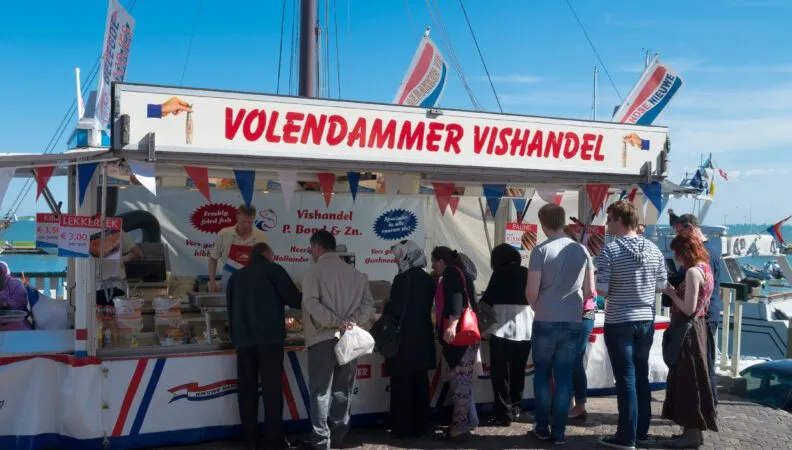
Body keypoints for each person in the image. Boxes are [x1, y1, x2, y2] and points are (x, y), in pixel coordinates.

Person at [596, 201, 667, 450]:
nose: (606, 224)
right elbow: (661, 286)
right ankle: (641, 431)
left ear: (618, 219)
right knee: (640, 376)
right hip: (645, 320)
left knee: (625, 379)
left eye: (609, 219)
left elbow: (602, 291)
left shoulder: (610, 251)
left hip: (619, 321)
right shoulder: (654, 250)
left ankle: (627, 436)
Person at [525, 204, 594, 445]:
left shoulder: (540, 251)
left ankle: (542, 426)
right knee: (564, 376)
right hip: (572, 320)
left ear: (543, 224)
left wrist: (538, 306)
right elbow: (590, 292)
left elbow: (531, 291)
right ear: (563, 221)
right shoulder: (582, 251)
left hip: (545, 318)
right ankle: (560, 432)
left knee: (542, 375)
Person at [301, 230, 375, 450]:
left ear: (318, 248)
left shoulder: (313, 272)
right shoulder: (356, 274)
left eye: (311, 248)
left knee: (320, 391)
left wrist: (336, 321)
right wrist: (349, 322)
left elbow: (311, 304)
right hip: (349, 338)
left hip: (322, 338)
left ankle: (321, 440)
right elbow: (368, 306)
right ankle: (339, 435)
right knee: (343, 388)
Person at [226, 243, 301, 450]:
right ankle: (273, 440)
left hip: (243, 340)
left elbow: (230, 311)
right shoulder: (274, 270)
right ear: (267, 254)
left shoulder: (235, 277)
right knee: (271, 390)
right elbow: (295, 299)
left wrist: (236, 338)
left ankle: (250, 440)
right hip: (269, 339)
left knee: (247, 390)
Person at [660, 231, 718, 448]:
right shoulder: (706, 268)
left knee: (688, 380)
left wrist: (672, 292)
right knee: (694, 378)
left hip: (689, 331)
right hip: (698, 329)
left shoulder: (694, 272)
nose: (676, 257)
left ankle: (691, 434)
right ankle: (692, 431)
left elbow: (689, 307)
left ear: (684, 251)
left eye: (677, 252)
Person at [385, 240, 436, 440]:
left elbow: (395, 310)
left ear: (407, 256)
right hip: (423, 337)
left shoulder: (402, 279)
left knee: (402, 384)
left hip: (404, 340)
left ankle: (402, 428)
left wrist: (385, 309)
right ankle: (421, 425)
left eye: (398, 256)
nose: (396, 260)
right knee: (420, 383)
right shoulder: (427, 280)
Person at [671, 213, 722, 406]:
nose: (679, 238)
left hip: (703, 315)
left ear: (690, 229)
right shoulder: (711, 250)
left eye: (680, 233)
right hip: (707, 311)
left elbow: (687, 281)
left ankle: (708, 405)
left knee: (704, 361)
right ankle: (707, 405)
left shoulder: (701, 255)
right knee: (703, 361)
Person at [481, 243, 533, 427]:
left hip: (502, 328)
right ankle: (517, 407)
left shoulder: (499, 274)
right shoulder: (527, 272)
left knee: (501, 374)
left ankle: (504, 413)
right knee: (519, 371)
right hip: (526, 328)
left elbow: (487, 300)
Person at [431, 246, 479, 440]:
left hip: (459, 336)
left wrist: (452, 324)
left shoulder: (451, 272)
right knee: (461, 381)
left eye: (434, 262)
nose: (433, 266)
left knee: (460, 383)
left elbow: (456, 299)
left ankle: (460, 426)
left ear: (441, 261)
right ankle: (465, 421)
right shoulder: (462, 273)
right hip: (465, 336)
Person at [567, 232, 598, 421]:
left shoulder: (582, 259)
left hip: (582, 314)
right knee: (571, 360)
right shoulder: (579, 257)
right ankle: (574, 403)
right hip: (579, 314)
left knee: (575, 360)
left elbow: (589, 292)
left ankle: (579, 404)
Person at [208, 205, 267, 293]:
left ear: (253, 219)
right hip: (229, 281)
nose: (247, 225)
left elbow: (265, 263)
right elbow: (213, 258)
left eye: (250, 222)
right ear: (237, 217)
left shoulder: (260, 237)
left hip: (252, 283)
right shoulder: (224, 234)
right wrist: (212, 281)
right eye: (243, 222)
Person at [96, 227, 143, 306]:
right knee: (116, 316)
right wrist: (121, 260)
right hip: (116, 288)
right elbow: (138, 253)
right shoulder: (116, 230)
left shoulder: (85, 230)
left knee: (95, 317)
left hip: (92, 288)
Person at [0, 262, 32, 331]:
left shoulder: (16, 284)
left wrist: (5, 304)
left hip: (15, 321)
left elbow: (21, 306)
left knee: (26, 332)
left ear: (5, 273)